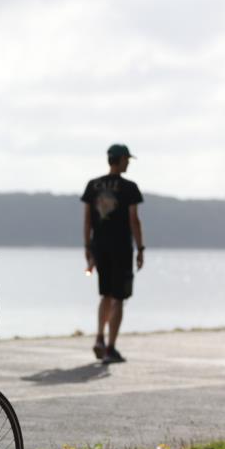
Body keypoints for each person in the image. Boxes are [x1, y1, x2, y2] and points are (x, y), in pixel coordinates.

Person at [82, 144, 145, 363]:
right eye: (127, 159)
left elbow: (88, 219)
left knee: (105, 294)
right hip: (121, 248)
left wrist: (87, 248)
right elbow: (134, 220)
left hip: (99, 247)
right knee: (119, 298)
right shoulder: (129, 188)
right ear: (119, 159)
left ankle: (99, 338)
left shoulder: (93, 185)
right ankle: (110, 348)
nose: (128, 163)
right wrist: (141, 248)